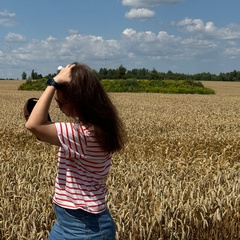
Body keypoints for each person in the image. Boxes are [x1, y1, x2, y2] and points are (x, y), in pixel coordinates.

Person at [25, 63, 125, 240]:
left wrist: (53, 82)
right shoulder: (96, 129)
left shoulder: (83, 134)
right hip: (72, 222)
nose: (57, 107)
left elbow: (34, 124)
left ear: (78, 100)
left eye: (59, 102)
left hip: (84, 227)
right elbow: (42, 132)